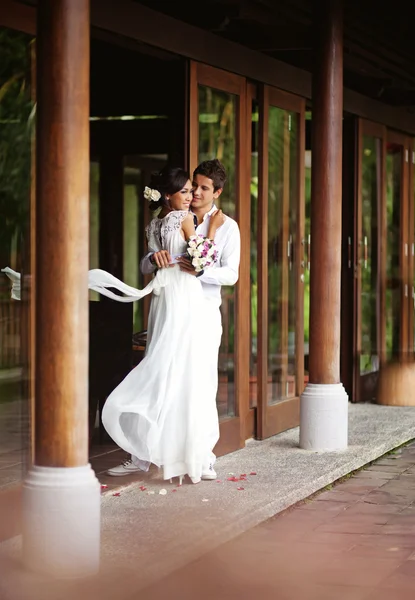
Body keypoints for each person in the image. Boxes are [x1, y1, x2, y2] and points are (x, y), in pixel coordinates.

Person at [108, 159, 241, 480]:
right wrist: (153, 258)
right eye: (193, 185)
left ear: (217, 192)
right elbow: (146, 264)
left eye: (203, 188)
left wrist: (202, 269)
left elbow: (232, 274)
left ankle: (201, 456)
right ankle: (141, 453)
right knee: (161, 374)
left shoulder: (227, 226)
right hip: (170, 305)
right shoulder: (172, 218)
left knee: (200, 382)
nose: (195, 192)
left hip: (204, 314)